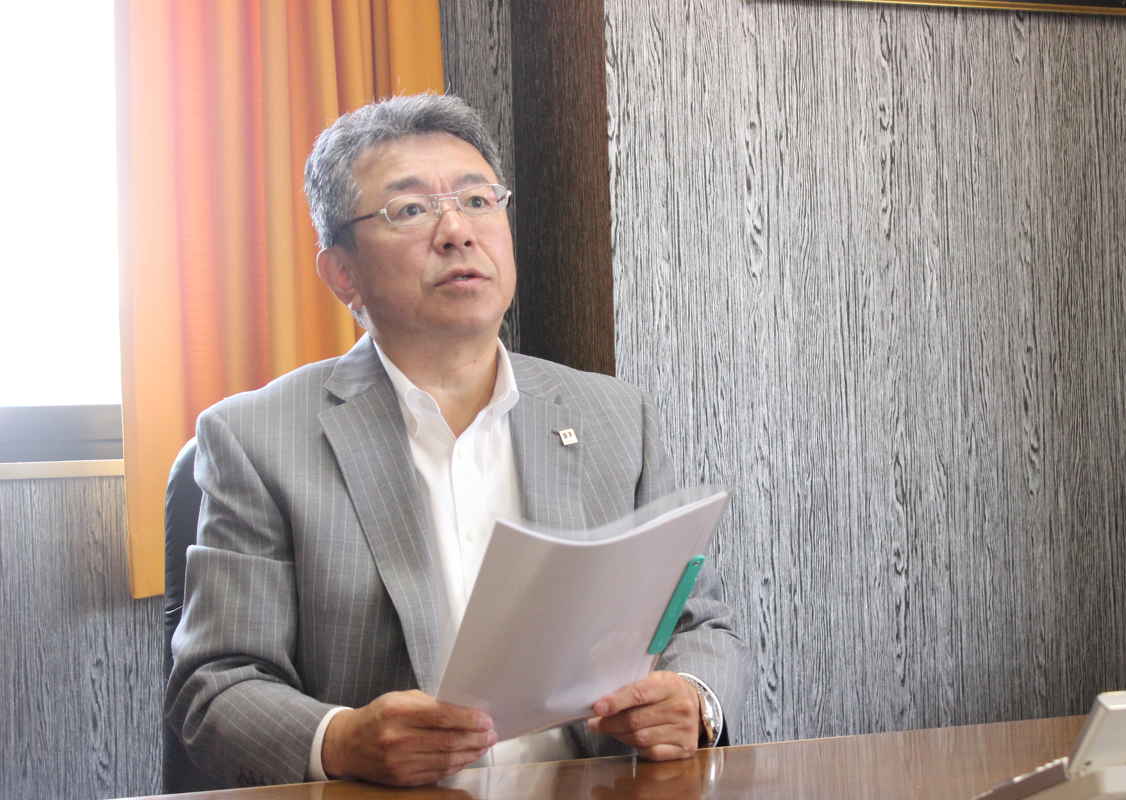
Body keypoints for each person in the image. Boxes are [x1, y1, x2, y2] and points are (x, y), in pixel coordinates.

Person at [165, 93, 749, 789]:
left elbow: (698, 622)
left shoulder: (617, 417)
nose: (456, 231)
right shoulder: (255, 439)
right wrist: (341, 740)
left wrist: (693, 700)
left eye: (477, 200)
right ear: (342, 272)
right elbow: (216, 686)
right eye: (410, 209)